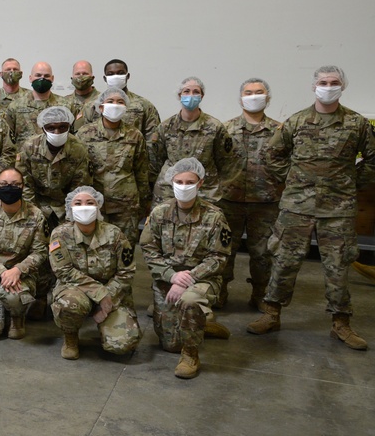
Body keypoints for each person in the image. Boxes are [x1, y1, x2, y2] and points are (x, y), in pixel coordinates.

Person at [247, 66, 375, 350]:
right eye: (323, 82)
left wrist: (352, 181)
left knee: (337, 267)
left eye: (334, 82)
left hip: (338, 208)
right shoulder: (298, 121)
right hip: (297, 206)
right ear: (314, 86)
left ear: (343, 86)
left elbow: (373, 158)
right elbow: (272, 153)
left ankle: (341, 323)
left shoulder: (357, 123)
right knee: (284, 262)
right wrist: (293, 178)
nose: (328, 86)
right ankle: (271, 314)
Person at [140, 158, 231, 379]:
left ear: (200, 184)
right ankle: (202, 325)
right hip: (168, 278)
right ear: (171, 183)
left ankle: (191, 354)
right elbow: (149, 249)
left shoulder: (214, 216)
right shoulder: (160, 213)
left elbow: (219, 257)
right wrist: (172, 277)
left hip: (202, 278)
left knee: (189, 301)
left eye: (189, 181)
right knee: (170, 344)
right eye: (178, 181)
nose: (183, 186)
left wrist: (187, 278)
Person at [218, 78, 287, 309]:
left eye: (259, 92)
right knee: (224, 249)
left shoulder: (281, 131)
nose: (253, 96)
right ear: (240, 98)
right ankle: (219, 291)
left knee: (263, 253)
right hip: (229, 200)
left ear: (268, 98)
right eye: (248, 92)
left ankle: (260, 295)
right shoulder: (225, 130)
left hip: (266, 202)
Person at [49, 187, 141, 359]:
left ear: (98, 206)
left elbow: (126, 272)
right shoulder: (60, 234)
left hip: (112, 292)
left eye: (90, 203)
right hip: (75, 289)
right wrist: (100, 294)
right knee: (68, 305)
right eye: (78, 203)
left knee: (122, 345)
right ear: (70, 208)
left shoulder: (115, 234)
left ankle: (107, 327)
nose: (84, 206)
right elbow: (64, 271)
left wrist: (108, 298)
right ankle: (70, 337)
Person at [0, 168, 49, 339]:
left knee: (13, 298)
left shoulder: (36, 215)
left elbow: (40, 251)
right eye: (4, 184)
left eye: (15, 184)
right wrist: (1, 273)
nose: (9, 188)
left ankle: (16, 316)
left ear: (22, 187)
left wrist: (18, 270)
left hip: (21, 274)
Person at [75, 87, 151, 244]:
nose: (115, 105)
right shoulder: (84, 133)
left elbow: (141, 171)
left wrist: (144, 203)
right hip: (93, 203)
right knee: (94, 246)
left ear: (125, 108)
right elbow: (77, 169)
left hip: (126, 205)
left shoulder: (135, 135)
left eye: (120, 102)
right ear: (101, 107)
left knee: (124, 246)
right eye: (110, 101)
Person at [150, 77, 234, 205]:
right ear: (179, 95)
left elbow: (224, 161)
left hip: (205, 189)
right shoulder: (166, 127)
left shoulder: (215, 127)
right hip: (169, 189)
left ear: (202, 96)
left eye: (196, 92)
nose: (191, 95)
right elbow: (156, 159)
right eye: (186, 91)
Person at [16, 105, 92, 219]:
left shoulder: (79, 149)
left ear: (69, 127)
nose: (57, 132)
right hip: (36, 203)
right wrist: (32, 213)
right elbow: (25, 183)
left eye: (62, 127)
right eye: (51, 128)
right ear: (43, 128)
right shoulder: (30, 147)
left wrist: (70, 214)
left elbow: (80, 186)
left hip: (66, 205)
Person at [5, 61, 71, 147]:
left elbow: (72, 136)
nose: (42, 79)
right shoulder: (15, 106)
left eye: (46, 76)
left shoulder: (65, 105)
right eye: (38, 75)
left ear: (52, 78)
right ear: (30, 78)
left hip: (56, 158)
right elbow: (8, 140)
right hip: (25, 158)